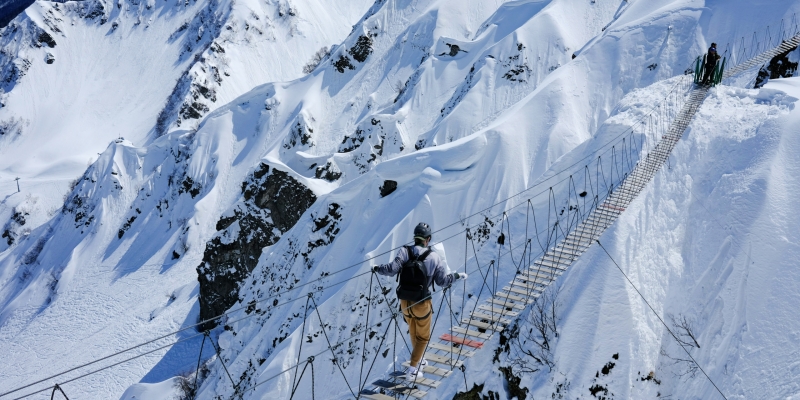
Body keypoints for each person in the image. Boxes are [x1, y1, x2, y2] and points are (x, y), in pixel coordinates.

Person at [372, 222, 468, 381]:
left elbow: (391, 269)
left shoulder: (405, 251)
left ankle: (419, 359)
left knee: (414, 330)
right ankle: (413, 369)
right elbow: (443, 281)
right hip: (422, 303)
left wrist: (376, 268)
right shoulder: (435, 257)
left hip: (404, 302)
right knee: (423, 337)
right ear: (428, 239)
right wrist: (457, 276)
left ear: (415, 237)